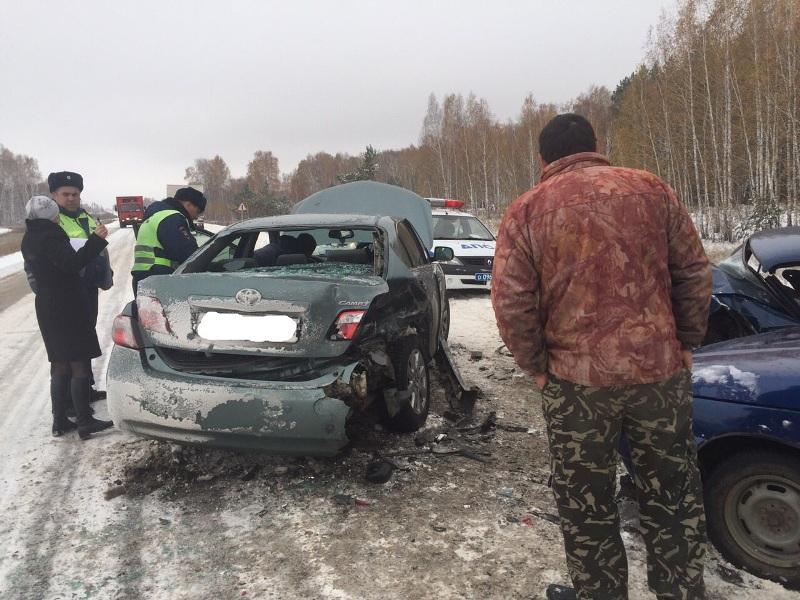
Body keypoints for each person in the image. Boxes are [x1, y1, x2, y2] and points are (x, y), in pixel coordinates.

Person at [491, 114, 711, 600]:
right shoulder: (652, 190)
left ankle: (601, 594)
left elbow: (510, 300)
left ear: (543, 159)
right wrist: (687, 342)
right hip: (659, 376)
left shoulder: (527, 210)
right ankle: (681, 593)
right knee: (672, 494)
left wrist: (536, 367)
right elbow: (694, 270)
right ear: (596, 145)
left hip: (576, 386)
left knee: (586, 506)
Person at [21, 196, 114, 440]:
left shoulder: (29, 237)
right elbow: (72, 264)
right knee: (78, 362)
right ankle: (84, 420)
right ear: (53, 215)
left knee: (59, 362)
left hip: (46, 304)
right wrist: (96, 240)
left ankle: (59, 420)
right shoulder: (52, 236)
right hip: (68, 304)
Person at [47, 171, 113, 402]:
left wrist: (105, 274)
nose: (71, 198)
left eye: (75, 194)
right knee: (67, 346)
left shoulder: (86, 216)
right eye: (65, 194)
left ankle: (85, 388)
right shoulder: (51, 221)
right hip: (65, 290)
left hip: (87, 287)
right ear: (54, 195)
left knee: (85, 338)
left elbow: (98, 249)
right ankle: (69, 399)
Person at [130, 187, 207, 294]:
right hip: (157, 280)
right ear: (188, 204)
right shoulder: (172, 218)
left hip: (143, 278)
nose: (196, 216)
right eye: (197, 211)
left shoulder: (155, 216)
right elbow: (188, 254)